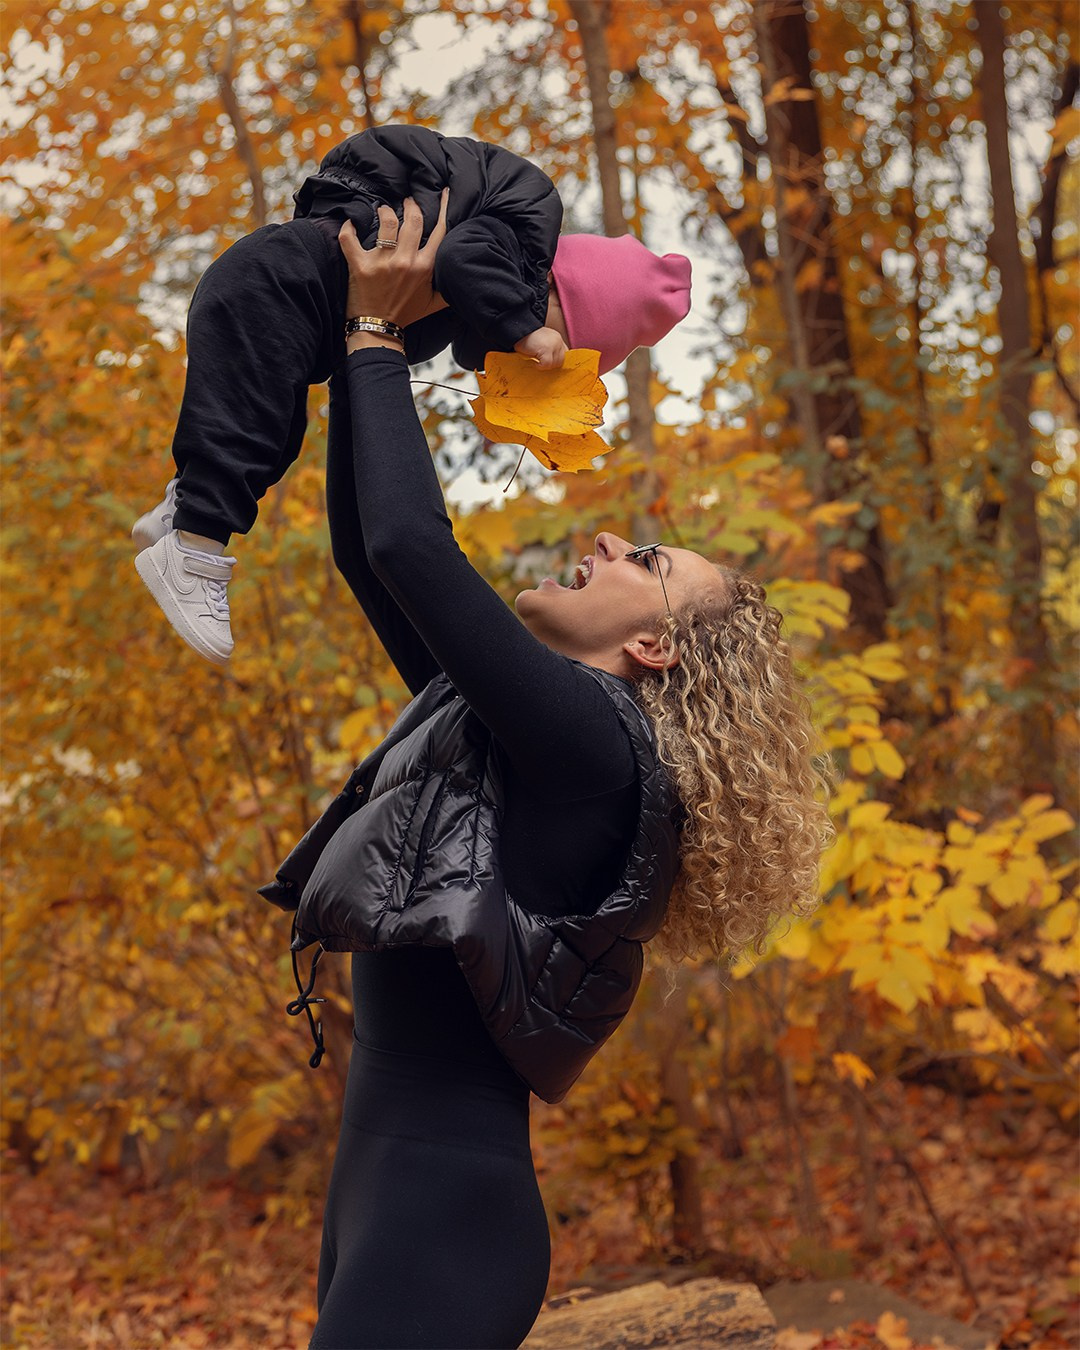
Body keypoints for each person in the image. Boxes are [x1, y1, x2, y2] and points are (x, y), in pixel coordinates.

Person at [254, 198, 831, 1350]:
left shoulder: (602, 753)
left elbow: (420, 546)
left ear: (654, 649)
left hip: (445, 1222)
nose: (613, 541)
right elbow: (374, 552)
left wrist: (376, 341)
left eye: (648, 560)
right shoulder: (515, 727)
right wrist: (357, 337)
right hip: (388, 1197)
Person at [130, 123, 692, 665]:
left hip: (282, 298)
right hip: (277, 283)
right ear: (555, 292)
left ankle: (178, 509)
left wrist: (379, 340)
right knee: (249, 429)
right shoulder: (509, 245)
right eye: (561, 341)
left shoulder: (442, 312)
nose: (533, 359)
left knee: (274, 435)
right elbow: (463, 261)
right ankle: (197, 548)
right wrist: (526, 329)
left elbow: (363, 545)